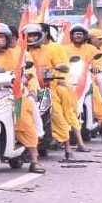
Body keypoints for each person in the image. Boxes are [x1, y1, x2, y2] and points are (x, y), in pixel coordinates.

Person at [24, 24, 85, 159]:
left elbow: (60, 65)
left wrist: (58, 74)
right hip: (27, 87)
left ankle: (67, 147)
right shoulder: (22, 51)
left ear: (42, 35)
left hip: (48, 86)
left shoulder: (49, 49)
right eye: (29, 35)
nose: (32, 38)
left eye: (35, 35)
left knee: (56, 113)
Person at [0, 23, 45, 173]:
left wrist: (25, 83)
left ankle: (34, 160)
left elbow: (28, 74)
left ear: (8, 39)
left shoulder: (20, 54)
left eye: (0, 36)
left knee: (23, 120)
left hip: (13, 94)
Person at [63, 24, 102, 144]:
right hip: (69, 79)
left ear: (85, 36)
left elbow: (98, 59)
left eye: (80, 34)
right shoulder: (65, 49)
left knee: (96, 98)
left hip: (86, 79)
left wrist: (96, 66)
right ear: (71, 36)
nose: (78, 36)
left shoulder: (90, 49)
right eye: (76, 33)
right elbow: (60, 60)